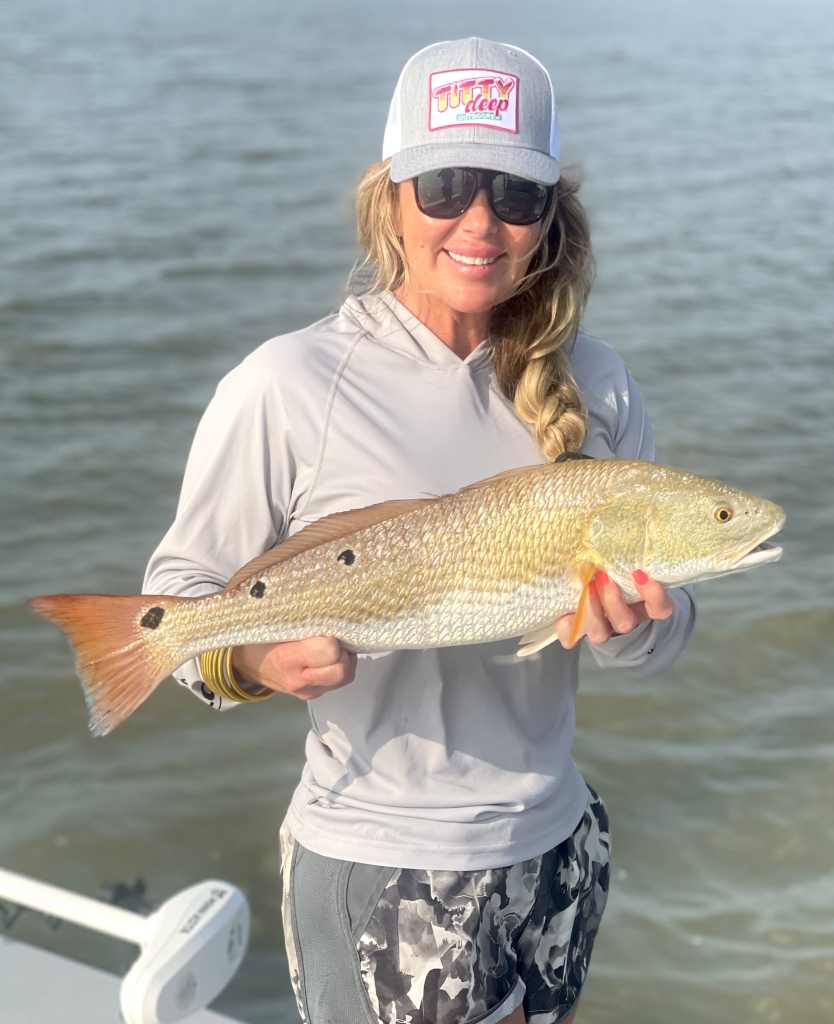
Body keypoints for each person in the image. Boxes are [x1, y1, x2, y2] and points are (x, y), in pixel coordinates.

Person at [144, 38, 695, 1024]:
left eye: (515, 194)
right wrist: (258, 660)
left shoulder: (600, 382)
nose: (478, 221)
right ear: (390, 197)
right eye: (443, 185)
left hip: (558, 848)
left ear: (550, 218)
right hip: (378, 870)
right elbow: (178, 612)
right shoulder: (286, 383)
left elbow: (659, 647)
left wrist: (639, 626)